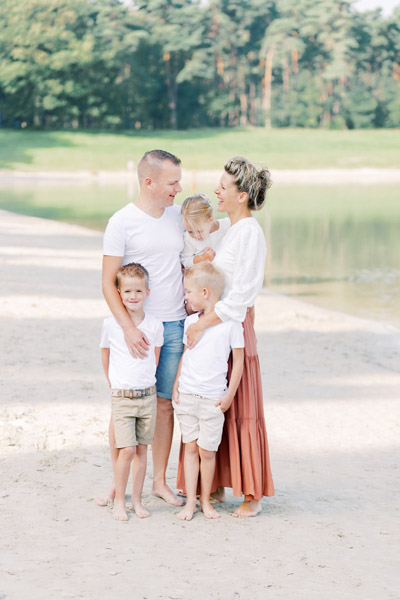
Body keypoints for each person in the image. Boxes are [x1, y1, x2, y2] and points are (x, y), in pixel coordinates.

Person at [177, 156, 275, 518]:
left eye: (224, 187)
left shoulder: (249, 232)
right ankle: (211, 485)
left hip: (230, 325)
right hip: (216, 324)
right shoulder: (231, 229)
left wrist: (203, 324)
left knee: (240, 406)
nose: (217, 190)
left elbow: (243, 293)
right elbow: (193, 225)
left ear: (243, 195)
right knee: (211, 402)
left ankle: (252, 494)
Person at [100, 149, 186, 507]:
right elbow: (108, 283)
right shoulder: (121, 221)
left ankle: (159, 483)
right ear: (148, 182)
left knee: (164, 405)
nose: (178, 188)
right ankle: (119, 484)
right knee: (124, 401)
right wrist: (128, 328)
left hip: (175, 325)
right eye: (172, 182)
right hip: (135, 328)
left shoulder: (180, 216)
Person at [172, 262, 244, 521]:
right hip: (188, 397)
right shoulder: (191, 322)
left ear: (205, 293)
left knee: (207, 452)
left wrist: (229, 396)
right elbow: (185, 354)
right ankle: (190, 502)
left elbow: (239, 362)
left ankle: (206, 501)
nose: (186, 297)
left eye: (189, 292)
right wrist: (176, 384)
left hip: (213, 400)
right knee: (190, 448)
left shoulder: (231, 325)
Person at [100, 263, 164, 521]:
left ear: (147, 292)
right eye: (127, 291)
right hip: (122, 397)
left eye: (138, 290)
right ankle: (118, 500)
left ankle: (136, 500)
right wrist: (111, 381)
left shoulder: (155, 325)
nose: (133, 296)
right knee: (125, 449)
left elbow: (155, 360)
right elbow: (105, 354)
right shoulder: (110, 324)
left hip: (147, 396)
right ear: (119, 293)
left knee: (141, 450)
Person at [180, 194, 230, 268]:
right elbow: (185, 260)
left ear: (210, 220)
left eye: (200, 231)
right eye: (190, 231)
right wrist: (203, 258)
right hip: (206, 276)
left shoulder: (227, 225)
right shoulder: (189, 239)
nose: (196, 236)